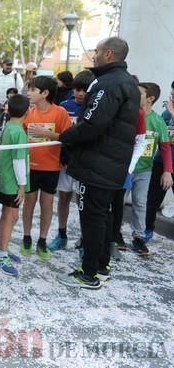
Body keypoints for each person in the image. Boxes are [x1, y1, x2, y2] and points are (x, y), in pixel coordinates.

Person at [57, 37, 139, 289]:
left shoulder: (107, 84)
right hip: (112, 164)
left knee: (92, 218)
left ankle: (89, 273)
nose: (93, 55)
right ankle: (101, 266)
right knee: (103, 216)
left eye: (97, 51)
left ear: (109, 54)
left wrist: (64, 136)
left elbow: (92, 124)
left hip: (97, 164)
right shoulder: (128, 83)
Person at [20, 76, 71, 261]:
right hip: (30, 166)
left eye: (32, 90)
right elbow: (21, 135)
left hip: (51, 168)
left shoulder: (60, 112)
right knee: (29, 202)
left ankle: (42, 240)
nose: (28, 93)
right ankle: (26, 237)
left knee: (47, 204)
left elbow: (68, 137)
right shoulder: (28, 112)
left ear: (45, 93)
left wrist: (48, 134)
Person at [47, 70, 94, 251]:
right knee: (64, 197)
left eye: (84, 90)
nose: (80, 94)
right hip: (66, 161)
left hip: (84, 164)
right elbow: (58, 132)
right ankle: (61, 234)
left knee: (83, 201)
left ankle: (84, 238)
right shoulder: (64, 106)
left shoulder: (94, 108)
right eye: (77, 89)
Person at [126, 82, 173, 255]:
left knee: (140, 202)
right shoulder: (129, 115)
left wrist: (167, 171)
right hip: (125, 168)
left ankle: (139, 237)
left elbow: (165, 147)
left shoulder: (158, 120)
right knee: (117, 202)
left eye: (139, 93)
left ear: (150, 99)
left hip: (145, 169)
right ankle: (114, 235)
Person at [0, 94, 30, 276]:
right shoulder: (18, 132)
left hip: (7, 178)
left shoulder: (9, 127)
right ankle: (2, 253)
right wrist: (22, 186)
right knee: (10, 216)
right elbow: (19, 161)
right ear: (28, 111)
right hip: (13, 182)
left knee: (9, 215)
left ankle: (0, 245)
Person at [145, 80, 174, 245]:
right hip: (160, 164)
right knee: (153, 200)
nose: (172, 99)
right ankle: (147, 231)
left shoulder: (170, 112)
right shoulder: (164, 115)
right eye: (171, 95)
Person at [0, 58, 22, 125]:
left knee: (9, 123)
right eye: (7, 65)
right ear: (3, 65)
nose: (9, 67)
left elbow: (20, 90)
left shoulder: (16, 75)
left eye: (10, 65)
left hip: (11, 105)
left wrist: (17, 102)